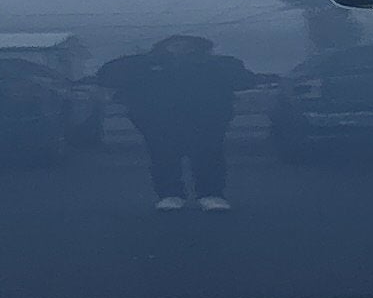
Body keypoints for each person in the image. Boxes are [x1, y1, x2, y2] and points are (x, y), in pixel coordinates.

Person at [96, 32, 256, 210]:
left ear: (200, 47)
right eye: (176, 44)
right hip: (158, 121)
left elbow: (245, 81)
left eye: (188, 45)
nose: (182, 48)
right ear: (163, 46)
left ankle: (211, 194)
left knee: (209, 155)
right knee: (163, 156)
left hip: (207, 120)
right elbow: (107, 77)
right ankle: (170, 195)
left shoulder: (217, 65)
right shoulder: (143, 65)